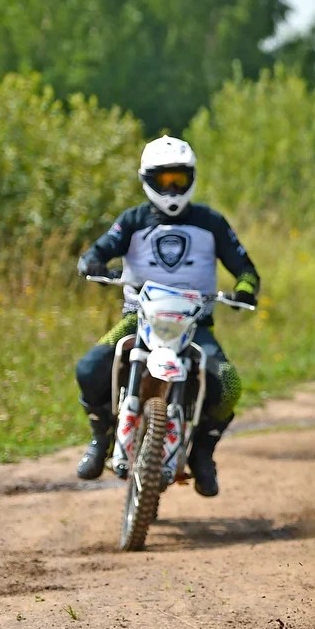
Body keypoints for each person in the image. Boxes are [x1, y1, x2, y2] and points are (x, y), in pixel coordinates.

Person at [73, 136, 260, 496]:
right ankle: (100, 440)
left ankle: (203, 455)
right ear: (147, 180)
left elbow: (245, 267)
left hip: (194, 326)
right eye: (164, 180)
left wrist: (246, 288)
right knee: (90, 367)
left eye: (179, 179)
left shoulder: (212, 223)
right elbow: (96, 252)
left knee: (229, 382)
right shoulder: (132, 220)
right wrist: (94, 264)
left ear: (192, 178)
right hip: (138, 319)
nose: (172, 188)